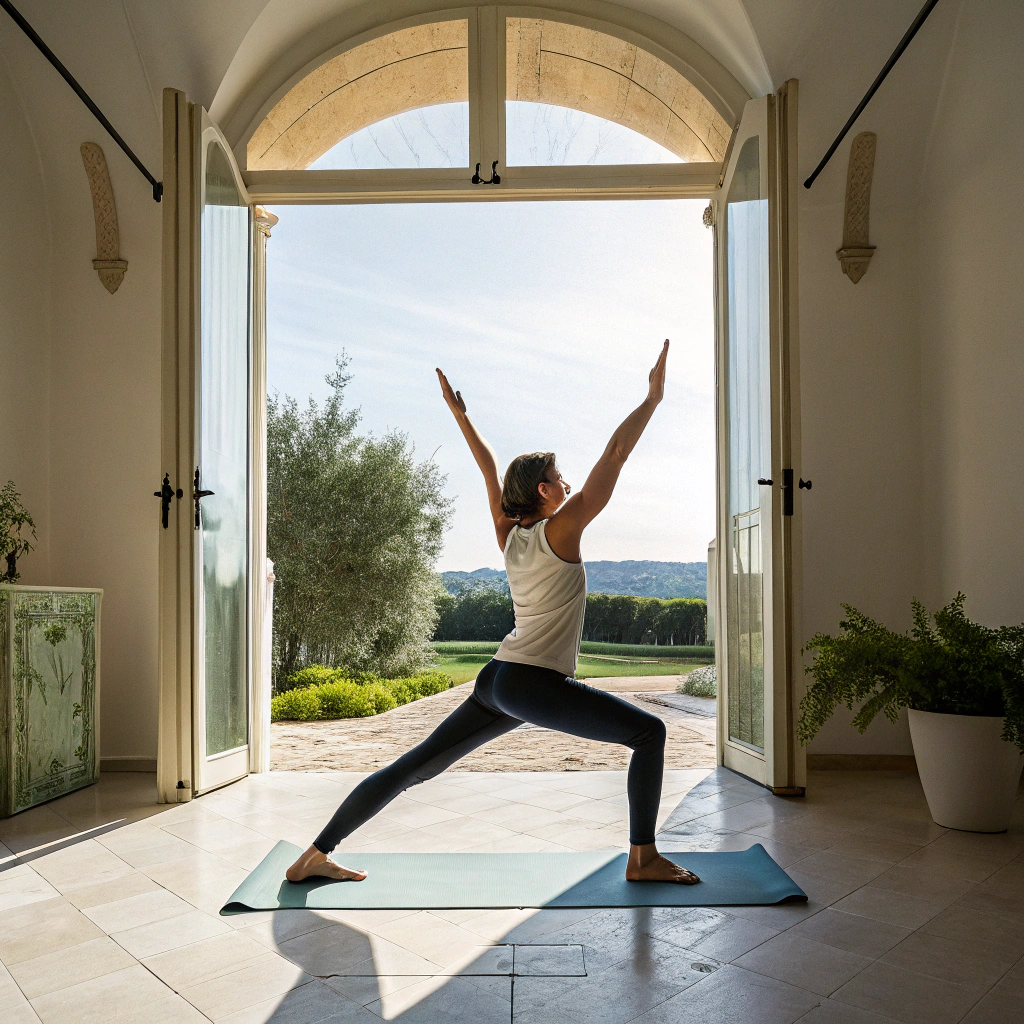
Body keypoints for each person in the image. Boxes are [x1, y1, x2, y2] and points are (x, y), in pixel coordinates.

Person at [286, 340, 699, 885]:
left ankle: (313, 855)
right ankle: (642, 858)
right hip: (530, 682)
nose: (570, 485)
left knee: (414, 766)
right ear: (546, 491)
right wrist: (653, 398)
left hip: (499, 678)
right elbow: (615, 455)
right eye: (562, 478)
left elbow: (487, 470)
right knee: (648, 734)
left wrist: (462, 417)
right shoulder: (562, 530)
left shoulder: (509, 533)